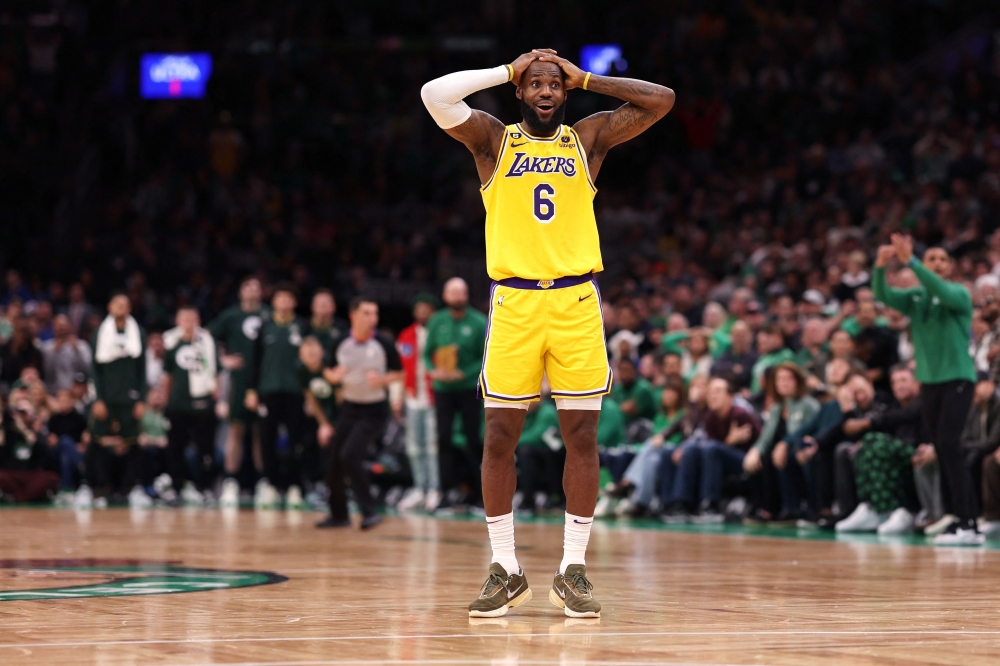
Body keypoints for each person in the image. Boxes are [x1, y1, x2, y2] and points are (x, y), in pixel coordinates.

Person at [422, 47, 674, 617]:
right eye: (534, 83)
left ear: (565, 93)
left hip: (576, 301)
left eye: (554, 84)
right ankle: (505, 568)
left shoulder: (586, 140)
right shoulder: (492, 139)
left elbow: (662, 100)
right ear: (520, 90)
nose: (544, 91)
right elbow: (434, 94)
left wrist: (588, 77)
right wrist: (504, 70)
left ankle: (574, 568)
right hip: (514, 302)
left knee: (582, 436)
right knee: (498, 437)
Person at [873, 235, 982, 545]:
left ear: (949, 267)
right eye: (931, 258)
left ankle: (968, 522)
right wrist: (880, 266)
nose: (936, 263)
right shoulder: (917, 297)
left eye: (942, 259)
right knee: (941, 448)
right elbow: (883, 294)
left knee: (949, 444)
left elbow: (939, 289)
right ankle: (956, 519)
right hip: (930, 382)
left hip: (958, 378)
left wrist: (913, 262)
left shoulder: (958, 294)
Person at [317, 297, 403, 530]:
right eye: (367, 313)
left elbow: (399, 373)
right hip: (349, 407)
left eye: (374, 313)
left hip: (374, 410)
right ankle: (339, 515)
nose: (372, 318)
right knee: (335, 460)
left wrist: (382, 380)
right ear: (353, 315)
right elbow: (328, 369)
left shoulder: (383, 343)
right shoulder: (341, 342)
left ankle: (370, 511)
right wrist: (332, 378)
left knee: (350, 455)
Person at [423, 278, 486, 508]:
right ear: (445, 295)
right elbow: (425, 354)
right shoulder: (436, 320)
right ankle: (446, 492)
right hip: (443, 390)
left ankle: (478, 494)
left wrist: (465, 374)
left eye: (462, 292)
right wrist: (434, 372)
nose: (458, 297)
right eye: (453, 292)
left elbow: (485, 358)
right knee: (444, 438)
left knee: (473, 439)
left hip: (469, 389)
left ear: (467, 295)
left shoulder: (479, 322)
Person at [663, 377, 761, 522]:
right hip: (718, 458)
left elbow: (761, 440)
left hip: (748, 460)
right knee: (689, 449)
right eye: (710, 393)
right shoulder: (710, 417)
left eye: (718, 392)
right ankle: (681, 504)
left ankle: (710, 505)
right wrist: (729, 441)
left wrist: (750, 450)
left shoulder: (740, 415)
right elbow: (706, 444)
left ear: (730, 396)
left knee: (710, 449)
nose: (713, 396)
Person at [245, 283, 307, 509]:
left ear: (294, 302)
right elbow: (255, 362)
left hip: (295, 392)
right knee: (266, 439)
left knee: (296, 440)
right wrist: (252, 390)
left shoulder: (301, 327)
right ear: (273, 302)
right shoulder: (264, 327)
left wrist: (309, 393)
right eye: (280, 298)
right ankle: (270, 484)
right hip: (268, 391)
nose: (284, 303)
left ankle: (293, 486)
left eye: (288, 298)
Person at [208, 276, 267, 508]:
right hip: (239, 381)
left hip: (264, 381)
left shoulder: (269, 315)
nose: (252, 291)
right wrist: (223, 360)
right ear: (241, 292)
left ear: (261, 292)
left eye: (256, 287)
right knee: (236, 430)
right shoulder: (230, 316)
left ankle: (264, 482)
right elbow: (206, 338)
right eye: (248, 287)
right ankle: (231, 480)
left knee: (260, 433)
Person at [86, 293, 147, 505]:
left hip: (130, 396)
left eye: (125, 304)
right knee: (98, 440)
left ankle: (129, 487)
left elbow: (143, 369)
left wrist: (142, 399)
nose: (121, 307)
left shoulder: (138, 332)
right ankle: (100, 487)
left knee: (133, 442)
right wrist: (98, 398)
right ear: (109, 307)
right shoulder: (100, 333)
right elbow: (95, 369)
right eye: (117, 304)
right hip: (107, 395)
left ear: (130, 308)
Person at [743, 363, 820, 521]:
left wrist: (784, 444)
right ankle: (768, 509)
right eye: (780, 379)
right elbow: (765, 439)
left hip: (802, 452)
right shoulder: (776, 408)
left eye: (788, 379)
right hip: (778, 454)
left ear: (797, 382)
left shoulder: (809, 405)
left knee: (785, 455)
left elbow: (812, 433)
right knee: (760, 459)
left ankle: (792, 508)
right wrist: (754, 451)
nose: (784, 383)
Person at [161, 307, 218, 506]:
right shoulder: (171, 343)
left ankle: (205, 488)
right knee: (175, 448)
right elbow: (167, 375)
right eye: (184, 318)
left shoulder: (208, 343)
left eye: (192, 318)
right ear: (177, 321)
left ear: (198, 320)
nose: (188, 322)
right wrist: (165, 400)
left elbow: (215, 372)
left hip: (203, 403)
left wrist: (216, 398)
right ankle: (177, 488)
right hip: (177, 404)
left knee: (205, 448)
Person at [396, 295, 441, 513]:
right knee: (414, 447)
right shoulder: (405, 336)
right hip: (413, 399)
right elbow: (400, 369)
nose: (423, 313)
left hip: (433, 399)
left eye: (428, 309)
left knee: (432, 447)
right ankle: (419, 489)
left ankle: (434, 489)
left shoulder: (440, 334)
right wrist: (397, 397)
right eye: (420, 309)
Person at [298, 336, 337, 507]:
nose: (312, 357)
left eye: (315, 353)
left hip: (343, 413)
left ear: (322, 353)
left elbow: (342, 400)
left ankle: (345, 490)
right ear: (301, 356)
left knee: (341, 450)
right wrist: (324, 424)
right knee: (314, 444)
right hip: (325, 415)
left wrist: (334, 425)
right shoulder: (303, 371)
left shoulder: (330, 368)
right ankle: (323, 487)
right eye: (308, 354)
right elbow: (311, 398)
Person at [41, 314, 91, 394]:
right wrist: (55, 352)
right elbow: (47, 373)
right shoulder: (47, 348)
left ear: (69, 327)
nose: (61, 330)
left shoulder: (81, 345)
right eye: (58, 327)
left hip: (77, 391)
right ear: (54, 328)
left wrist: (76, 350)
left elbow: (88, 369)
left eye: (63, 327)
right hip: (54, 392)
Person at [308, 288, 348, 358]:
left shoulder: (342, 328)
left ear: (334, 306)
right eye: (320, 304)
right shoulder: (304, 328)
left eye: (327, 303)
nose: (324, 307)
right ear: (312, 307)